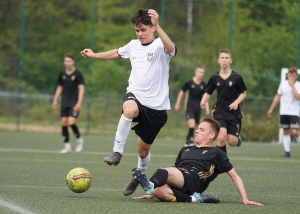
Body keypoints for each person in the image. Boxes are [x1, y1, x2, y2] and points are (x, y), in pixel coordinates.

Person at [80, 9, 176, 196]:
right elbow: (117, 53)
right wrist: (94, 55)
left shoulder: (160, 45)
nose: (140, 34)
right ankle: (117, 153)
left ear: (152, 28)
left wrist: (159, 26)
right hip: (135, 95)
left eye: (143, 30)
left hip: (157, 107)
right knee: (129, 109)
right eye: (137, 30)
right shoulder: (133, 45)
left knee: (142, 151)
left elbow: (170, 48)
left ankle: (139, 174)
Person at [131, 117, 263, 206]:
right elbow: (175, 170)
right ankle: (195, 199)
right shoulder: (185, 149)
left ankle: (149, 185)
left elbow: (234, 176)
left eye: (202, 129)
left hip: (194, 179)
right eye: (198, 128)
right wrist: (153, 193)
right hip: (181, 179)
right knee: (158, 191)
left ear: (211, 135)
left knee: (162, 171)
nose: (197, 131)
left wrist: (245, 199)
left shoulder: (217, 153)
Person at [200, 49, 246, 154]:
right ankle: (221, 161)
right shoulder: (214, 78)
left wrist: (236, 103)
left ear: (231, 60)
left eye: (226, 58)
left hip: (234, 112)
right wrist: (203, 101)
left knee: (232, 142)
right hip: (220, 110)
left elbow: (243, 93)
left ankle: (236, 137)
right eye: (222, 58)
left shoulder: (237, 77)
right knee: (221, 137)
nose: (224, 60)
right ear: (218, 61)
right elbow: (208, 92)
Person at [52, 53, 85, 154]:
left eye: (70, 61)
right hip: (64, 102)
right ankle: (67, 146)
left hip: (74, 102)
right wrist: (55, 99)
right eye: (66, 61)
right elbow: (60, 87)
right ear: (64, 62)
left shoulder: (78, 74)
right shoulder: (62, 74)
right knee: (64, 123)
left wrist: (79, 103)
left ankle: (79, 140)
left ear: (73, 62)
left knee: (71, 122)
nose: (68, 63)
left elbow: (81, 88)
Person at [267, 67, 300, 157]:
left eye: (293, 76)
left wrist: (292, 86)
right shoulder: (283, 84)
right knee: (286, 131)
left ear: (296, 76)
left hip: (294, 112)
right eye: (290, 76)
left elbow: (298, 97)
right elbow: (278, 97)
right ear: (287, 75)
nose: (291, 78)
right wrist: (271, 109)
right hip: (284, 112)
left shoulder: (298, 85)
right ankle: (287, 151)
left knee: (295, 131)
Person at [174, 66, 210, 146]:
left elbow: (205, 96)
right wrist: (177, 103)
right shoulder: (189, 83)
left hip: (198, 108)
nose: (201, 74)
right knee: (192, 124)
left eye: (202, 72)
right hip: (190, 107)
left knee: (194, 126)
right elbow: (181, 92)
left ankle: (187, 142)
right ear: (195, 72)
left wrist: (207, 108)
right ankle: (191, 142)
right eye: (199, 72)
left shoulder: (203, 84)